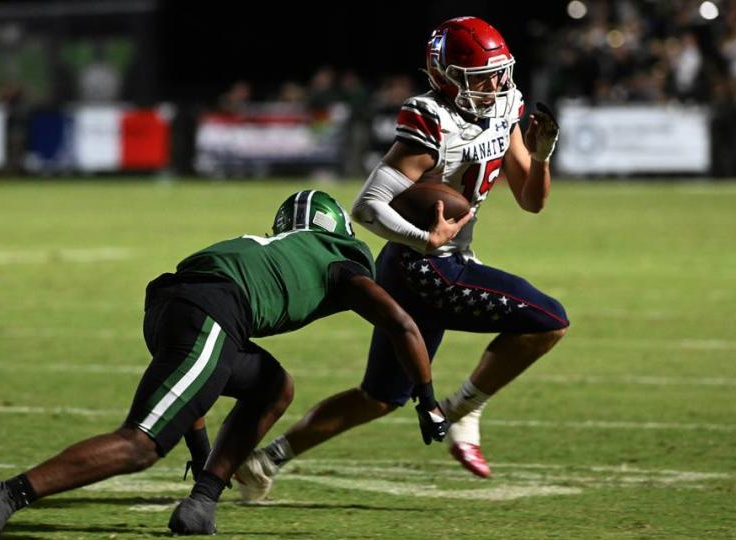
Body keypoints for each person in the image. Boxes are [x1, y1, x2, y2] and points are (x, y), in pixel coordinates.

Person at [0, 190, 452, 538]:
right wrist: (426, 401)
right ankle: (6, 494)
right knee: (141, 445)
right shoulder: (338, 258)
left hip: (176, 309)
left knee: (273, 386)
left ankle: (202, 503)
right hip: (212, 312)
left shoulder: (266, 249)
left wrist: (200, 445)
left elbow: (205, 368)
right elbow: (403, 325)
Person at [235, 16, 569, 500]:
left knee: (379, 396)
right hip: (427, 267)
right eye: (480, 78)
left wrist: (540, 158)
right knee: (550, 320)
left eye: (500, 73)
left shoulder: (504, 107)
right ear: (446, 78)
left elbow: (532, 200)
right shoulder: (430, 119)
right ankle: (464, 407)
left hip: (421, 263)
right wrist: (425, 239)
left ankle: (266, 459)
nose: (495, 85)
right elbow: (367, 207)